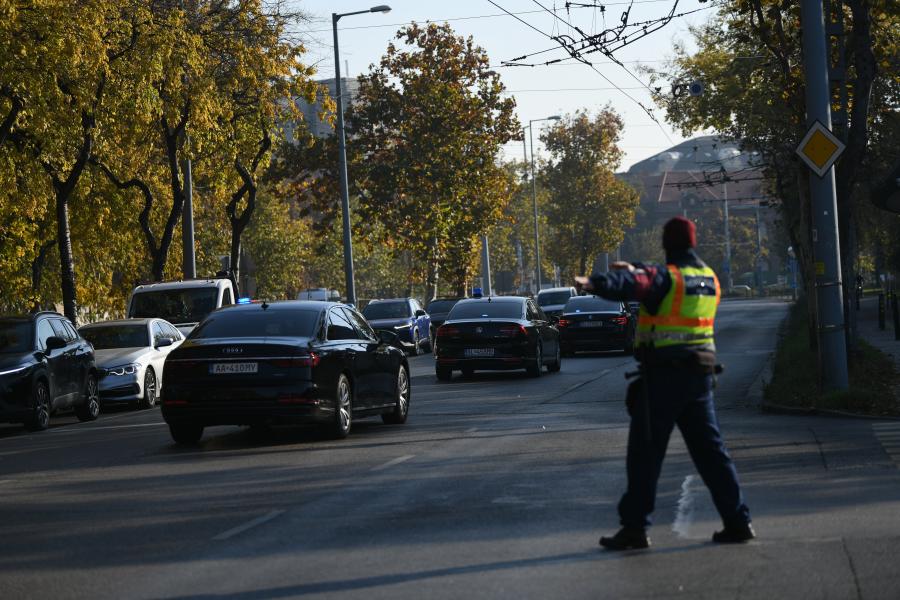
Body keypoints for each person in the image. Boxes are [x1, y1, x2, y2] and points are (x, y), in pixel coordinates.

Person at [575, 216, 754, 550]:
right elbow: (646, 276)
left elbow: (638, 282)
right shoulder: (708, 278)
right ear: (693, 242)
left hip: (664, 379)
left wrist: (595, 282)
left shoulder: (666, 277)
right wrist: (634, 269)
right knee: (712, 455)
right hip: (700, 377)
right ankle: (738, 521)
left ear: (666, 243)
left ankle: (634, 528)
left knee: (644, 455)